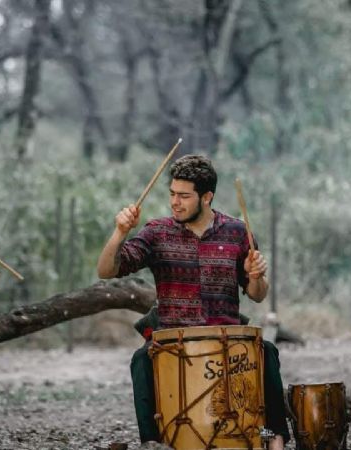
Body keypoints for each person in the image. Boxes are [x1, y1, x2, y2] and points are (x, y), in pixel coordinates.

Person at [97, 155, 289, 450]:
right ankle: (152, 443)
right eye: (172, 194)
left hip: (226, 337)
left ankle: (273, 439)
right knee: (141, 359)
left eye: (184, 196)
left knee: (267, 351)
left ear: (207, 197)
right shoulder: (157, 232)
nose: (175, 202)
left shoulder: (238, 232)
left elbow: (257, 293)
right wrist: (120, 232)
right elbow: (106, 270)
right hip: (174, 338)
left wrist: (257, 275)